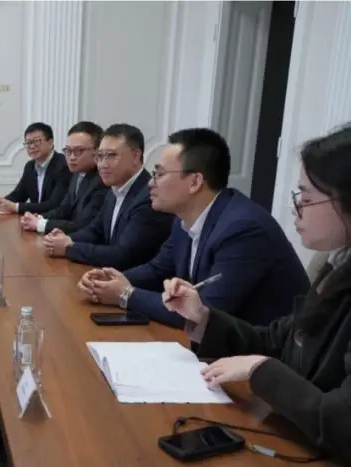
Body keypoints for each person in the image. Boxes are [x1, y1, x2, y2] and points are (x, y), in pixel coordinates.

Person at [162, 124, 351, 463]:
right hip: (298, 437)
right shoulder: (336, 263)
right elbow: (278, 339)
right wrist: (202, 317)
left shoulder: (245, 226)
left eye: (307, 199)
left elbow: (342, 423)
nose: (295, 209)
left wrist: (260, 370)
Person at [79, 128, 309, 327]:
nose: (150, 183)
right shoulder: (184, 220)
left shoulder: (244, 229)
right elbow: (158, 270)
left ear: (195, 182)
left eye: (159, 174)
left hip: (262, 355)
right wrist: (108, 281)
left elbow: (204, 312)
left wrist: (126, 294)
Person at [42, 123, 173, 269]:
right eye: (99, 156)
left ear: (136, 156)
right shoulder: (114, 188)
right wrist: (66, 239)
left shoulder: (149, 197)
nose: (103, 165)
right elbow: (95, 230)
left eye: (111, 155)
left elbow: (124, 255)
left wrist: (69, 248)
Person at [20, 121, 108, 234]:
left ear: (97, 151)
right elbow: (64, 208)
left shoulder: (102, 180)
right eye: (68, 150)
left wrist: (40, 224)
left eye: (78, 151)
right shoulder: (77, 173)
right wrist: (40, 217)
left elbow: (83, 225)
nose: (71, 157)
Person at [0, 122, 72, 215]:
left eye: (37, 141)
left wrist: (16, 207)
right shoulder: (30, 166)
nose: (32, 146)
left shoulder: (63, 165)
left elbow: (53, 204)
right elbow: (18, 195)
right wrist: (2, 201)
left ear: (50, 143)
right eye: (28, 142)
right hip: (34, 220)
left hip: (54, 221)